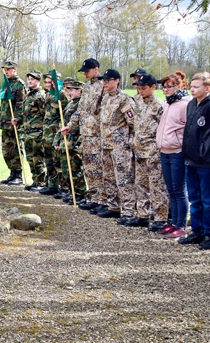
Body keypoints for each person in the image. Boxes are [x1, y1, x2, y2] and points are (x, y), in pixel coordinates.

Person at [178, 72, 210, 250]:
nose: (192, 89)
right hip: (191, 159)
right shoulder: (191, 104)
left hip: (207, 160)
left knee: (209, 199)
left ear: (207, 88)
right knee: (195, 199)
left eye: (196, 86)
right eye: (191, 85)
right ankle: (197, 231)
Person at [62, 58, 104, 212]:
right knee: (88, 168)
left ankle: (102, 200)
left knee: (98, 168)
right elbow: (80, 110)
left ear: (96, 69)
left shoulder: (102, 86)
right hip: (85, 134)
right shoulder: (86, 87)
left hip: (97, 134)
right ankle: (93, 197)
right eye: (84, 72)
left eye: (87, 71)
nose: (85, 74)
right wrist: (70, 125)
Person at [155, 72, 191, 238]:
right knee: (171, 189)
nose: (166, 90)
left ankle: (181, 224)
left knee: (179, 190)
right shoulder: (167, 104)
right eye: (164, 87)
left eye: (169, 86)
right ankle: (174, 221)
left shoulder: (185, 104)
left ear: (179, 86)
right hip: (165, 151)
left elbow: (188, 129)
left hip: (177, 151)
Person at [97, 69, 136, 221]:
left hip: (120, 146)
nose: (105, 82)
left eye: (108, 80)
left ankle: (128, 210)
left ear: (117, 81)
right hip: (106, 144)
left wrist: (130, 141)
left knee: (123, 178)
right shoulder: (105, 98)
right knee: (108, 177)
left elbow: (133, 122)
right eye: (103, 80)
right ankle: (113, 206)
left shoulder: (125, 99)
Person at [131, 74, 168, 228]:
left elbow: (164, 129)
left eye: (144, 88)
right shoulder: (137, 102)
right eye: (138, 88)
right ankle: (142, 214)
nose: (140, 91)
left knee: (157, 186)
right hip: (139, 150)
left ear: (153, 87)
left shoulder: (160, 106)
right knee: (140, 184)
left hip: (153, 151)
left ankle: (160, 217)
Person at [13, 70, 48, 191]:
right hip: (27, 133)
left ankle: (41, 182)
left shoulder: (41, 96)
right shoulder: (29, 95)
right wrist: (18, 120)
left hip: (37, 133)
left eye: (32, 79)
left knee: (38, 159)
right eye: (28, 79)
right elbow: (26, 114)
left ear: (38, 81)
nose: (30, 81)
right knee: (30, 158)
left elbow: (45, 115)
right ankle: (35, 180)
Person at [54, 78, 86, 203]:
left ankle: (80, 193)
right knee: (66, 168)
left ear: (79, 91)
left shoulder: (81, 104)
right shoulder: (71, 103)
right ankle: (72, 191)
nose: (68, 92)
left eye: (71, 90)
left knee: (75, 167)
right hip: (67, 139)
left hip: (75, 139)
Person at [0, 61, 26, 186]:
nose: (6, 72)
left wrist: (18, 119)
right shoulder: (6, 84)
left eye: (9, 69)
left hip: (14, 123)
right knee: (7, 150)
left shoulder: (19, 85)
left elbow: (21, 105)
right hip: (5, 123)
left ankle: (18, 175)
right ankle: (12, 173)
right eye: (5, 69)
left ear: (15, 69)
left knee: (15, 149)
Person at [40, 72, 68, 196]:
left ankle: (64, 187)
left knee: (58, 162)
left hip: (56, 133)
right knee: (48, 160)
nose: (47, 84)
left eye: (50, 82)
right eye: (45, 82)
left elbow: (66, 115)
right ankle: (52, 185)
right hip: (46, 133)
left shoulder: (61, 95)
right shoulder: (47, 95)